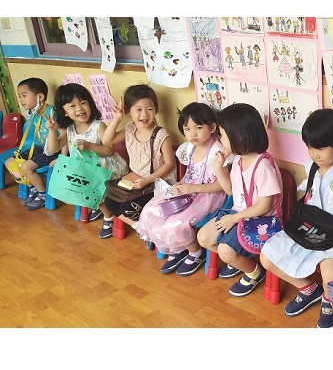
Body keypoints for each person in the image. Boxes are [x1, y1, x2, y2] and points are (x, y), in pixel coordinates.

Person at [261, 109, 333, 328]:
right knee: (267, 257)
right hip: (309, 225)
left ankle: (328, 300)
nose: (314, 154)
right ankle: (308, 288)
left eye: (321, 148)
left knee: (330, 274)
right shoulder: (312, 165)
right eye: (310, 147)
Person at [197, 103, 282, 297]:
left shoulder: (263, 166)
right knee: (204, 238)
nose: (220, 140)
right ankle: (239, 260)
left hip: (263, 221)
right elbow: (231, 191)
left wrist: (234, 219)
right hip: (239, 213)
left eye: (222, 135)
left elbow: (265, 206)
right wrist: (219, 168)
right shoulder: (238, 159)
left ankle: (254, 272)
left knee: (225, 251)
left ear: (239, 136)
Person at [136, 102, 227, 277]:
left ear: (212, 127)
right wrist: (180, 184)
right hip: (188, 189)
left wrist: (193, 187)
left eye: (198, 128)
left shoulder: (217, 151)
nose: (192, 134)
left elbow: (223, 185)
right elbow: (190, 173)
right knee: (151, 210)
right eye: (187, 129)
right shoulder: (189, 147)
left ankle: (195, 252)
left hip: (208, 195)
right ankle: (176, 248)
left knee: (175, 223)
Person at [45, 83, 128, 231]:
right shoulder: (69, 130)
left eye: (83, 103)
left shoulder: (98, 126)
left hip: (107, 171)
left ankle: (108, 216)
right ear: (64, 112)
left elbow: (109, 150)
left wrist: (90, 146)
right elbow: (52, 149)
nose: (79, 109)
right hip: (85, 171)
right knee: (78, 186)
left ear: (90, 104)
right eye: (72, 106)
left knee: (92, 189)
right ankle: (96, 206)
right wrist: (52, 131)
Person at [100, 84, 176, 239]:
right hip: (136, 182)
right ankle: (141, 228)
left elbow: (170, 164)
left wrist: (148, 179)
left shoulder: (161, 135)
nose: (145, 114)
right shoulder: (130, 129)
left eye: (150, 109)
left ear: (156, 110)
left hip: (157, 184)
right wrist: (117, 118)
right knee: (109, 201)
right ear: (128, 112)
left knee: (127, 208)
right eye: (138, 109)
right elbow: (106, 140)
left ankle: (149, 228)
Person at [5, 78, 59, 210]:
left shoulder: (52, 112)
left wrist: (62, 157)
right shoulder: (35, 113)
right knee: (9, 162)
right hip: (38, 148)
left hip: (52, 151)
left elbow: (65, 135)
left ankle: (42, 194)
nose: (21, 100)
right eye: (20, 96)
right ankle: (33, 186)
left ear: (40, 97)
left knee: (26, 167)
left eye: (24, 96)